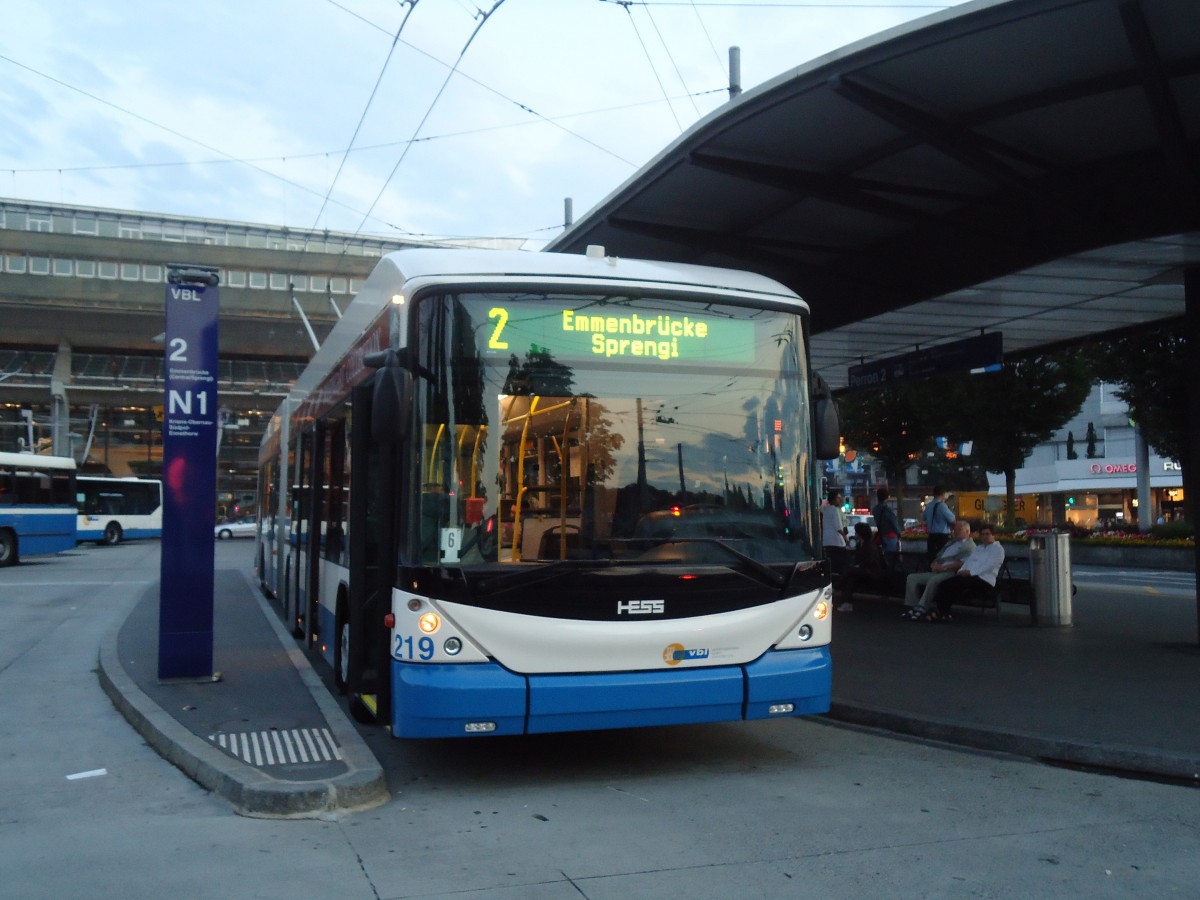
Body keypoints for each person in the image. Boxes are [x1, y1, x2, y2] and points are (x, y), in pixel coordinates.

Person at [900, 519, 975, 620]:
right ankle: (912, 605)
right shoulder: (951, 543)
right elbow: (940, 556)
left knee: (933, 580)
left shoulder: (969, 546)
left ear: (967, 531)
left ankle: (922, 607)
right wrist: (935, 563)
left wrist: (943, 567)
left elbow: (962, 563)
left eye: (959, 529)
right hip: (938, 570)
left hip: (950, 572)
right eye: (954, 529)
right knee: (912, 578)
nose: (955, 531)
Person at [930, 523, 1006, 621]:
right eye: (983, 534)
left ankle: (943, 612)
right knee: (945, 583)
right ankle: (943, 611)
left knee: (957, 584)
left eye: (987, 534)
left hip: (985, 579)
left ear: (993, 535)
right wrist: (961, 571)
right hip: (970, 576)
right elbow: (968, 561)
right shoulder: (979, 548)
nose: (985, 537)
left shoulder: (998, 550)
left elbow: (988, 566)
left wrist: (970, 572)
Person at [842, 521, 886, 603]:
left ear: (860, 534)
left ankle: (840, 592)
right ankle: (846, 600)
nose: (855, 533)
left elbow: (869, 561)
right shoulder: (860, 545)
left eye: (856, 532)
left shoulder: (869, 545)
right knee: (851, 577)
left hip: (872, 571)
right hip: (864, 569)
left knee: (849, 572)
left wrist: (858, 566)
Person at [822, 490, 850, 610]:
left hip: (827, 542)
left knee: (831, 568)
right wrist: (845, 538)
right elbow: (839, 527)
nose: (840, 500)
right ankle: (838, 589)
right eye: (838, 498)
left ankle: (832, 588)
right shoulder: (835, 510)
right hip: (837, 543)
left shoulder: (825, 510)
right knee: (843, 570)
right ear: (833, 499)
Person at [923, 485, 955, 563]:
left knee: (932, 559)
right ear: (943, 494)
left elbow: (924, 518)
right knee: (942, 558)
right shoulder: (942, 506)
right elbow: (952, 520)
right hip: (941, 537)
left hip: (931, 537)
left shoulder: (929, 506)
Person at [871, 486, 902, 566]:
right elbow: (894, 522)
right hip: (891, 536)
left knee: (884, 556)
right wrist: (899, 533)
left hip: (881, 535)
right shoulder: (887, 509)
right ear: (887, 497)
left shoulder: (875, 509)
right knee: (891, 557)